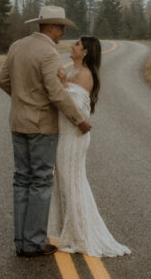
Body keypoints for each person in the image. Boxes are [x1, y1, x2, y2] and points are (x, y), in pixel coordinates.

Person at [0, 5, 92, 258]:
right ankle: (35, 242)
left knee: (21, 180)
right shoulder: (49, 54)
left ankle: (21, 241)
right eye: (61, 28)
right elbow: (56, 93)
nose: (62, 33)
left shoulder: (17, 46)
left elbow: (2, 80)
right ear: (49, 26)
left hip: (18, 123)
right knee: (40, 181)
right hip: (41, 127)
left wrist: (21, 100)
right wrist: (79, 119)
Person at [48, 35, 131, 258]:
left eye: (77, 44)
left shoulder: (85, 75)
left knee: (72, 181)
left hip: (75, 136)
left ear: (84, 52)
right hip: (64, 134)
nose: (72, 46)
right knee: (65, 182)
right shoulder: (73, 72)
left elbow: (79, 110)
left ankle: (79, 235)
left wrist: (64, 84)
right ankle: (71, 228)